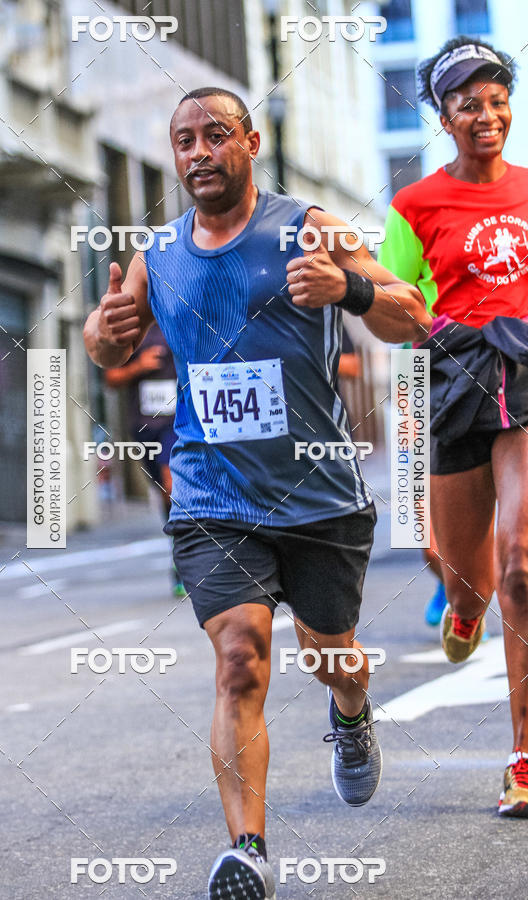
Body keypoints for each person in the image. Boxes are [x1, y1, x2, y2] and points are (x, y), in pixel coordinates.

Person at [84, 87, 429, 897]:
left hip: (320, 498)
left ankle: (349, 715)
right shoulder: (158, 252)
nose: (198, 152)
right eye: (184, 142)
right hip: (212, 494)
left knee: (332, 657)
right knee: (240, 658)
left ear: (251, 141)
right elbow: (105, 343)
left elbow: (411, 315)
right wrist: (105, 329)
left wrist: (348, 291)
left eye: (214, 136)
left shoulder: (307, 227)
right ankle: (249, 851)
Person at [379, 37, 528, 817]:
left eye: (497, 98)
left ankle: (525, 759)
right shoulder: (414, 207)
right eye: (468, 103)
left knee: (524, 560)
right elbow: (386, 312)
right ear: (444, 117)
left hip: (527, 375)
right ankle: (466, 605)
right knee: (469, 573)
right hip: (453, 380)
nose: (487, 114)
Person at [105, 324, 186, 597]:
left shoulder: (184, 320)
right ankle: (180, 551)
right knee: (165, 494)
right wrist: (139, 366)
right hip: (143, 428)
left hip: (178, 425)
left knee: (171, 484)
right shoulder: (133, 330)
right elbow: (111, 377)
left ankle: (186, 562)